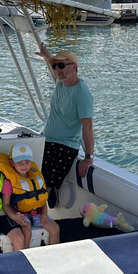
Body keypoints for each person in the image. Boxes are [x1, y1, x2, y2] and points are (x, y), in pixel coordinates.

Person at [38, 44, 94, 206]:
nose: (57, 69)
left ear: (74, 67)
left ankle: (40, 221)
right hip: (47, 140)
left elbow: (87, 126)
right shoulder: (61, 83)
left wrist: (89, 157)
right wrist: (46, 55)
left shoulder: (82, 93)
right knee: (33, 179)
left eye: (61, 65)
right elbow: (53, 68)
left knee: (44, 187)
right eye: (55, 66)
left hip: (64, 146)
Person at [0, 142, 60, 250]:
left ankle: (52, 255)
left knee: (55, 228)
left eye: (27, 162)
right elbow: (5, 205)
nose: (23, 166)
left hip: (37, 214)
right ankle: (25, 258)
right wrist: (15, 217)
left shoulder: (36, 178)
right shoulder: (8, 182)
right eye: (19, 162)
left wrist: (44, 213)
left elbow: (42, 198)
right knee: (27, 229)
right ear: (12, 162)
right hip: (20, 215)